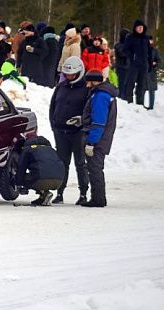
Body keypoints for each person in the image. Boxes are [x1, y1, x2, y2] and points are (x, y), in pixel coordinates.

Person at [48, 57, 90, 205]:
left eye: (72, 75)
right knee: (62, 163)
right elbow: (53, 105)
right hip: (61, 131)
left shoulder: (86, 88)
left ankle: (83, 193)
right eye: (67, 75)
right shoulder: (61, 86)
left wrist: (81, 120)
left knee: (80, 163)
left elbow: (89, 110)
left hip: (78, 132)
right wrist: (54, 124)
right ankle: (60, 192)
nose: (69, 77)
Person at [81, 70, 118, 208]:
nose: (86, 84)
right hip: (102, 137)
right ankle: (97, 197)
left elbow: (99, 122)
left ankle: (98, 199)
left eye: (88, 81)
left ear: (94, 81)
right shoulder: (103, 94)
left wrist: (91, 142)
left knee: (95, 168)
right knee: (95, 168)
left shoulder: (100, 96)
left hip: (98, 140)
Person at [16, 136, 66, 206]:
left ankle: (45, 193)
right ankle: (43, 197)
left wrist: (18, 184)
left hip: (41, 180)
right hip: (59, 181)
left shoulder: (27, 149)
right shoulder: (51, 150)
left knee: (30, 176)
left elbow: (21, 168)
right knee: (41, 172)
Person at [121, 20, 151, 105]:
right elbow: (125, 50)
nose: (140, 29)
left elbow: (149, 51)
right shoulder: (130, 37)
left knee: (141, 84)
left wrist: (150, 62)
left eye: (142, 27)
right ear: (135, 28)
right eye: (139, 27)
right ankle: (129, 101)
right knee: (131, 82)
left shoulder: (146, 38)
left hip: (144, 64)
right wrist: (132, 56)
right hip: (134, 64)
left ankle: (140, 103)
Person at [143, 38, 162, 110]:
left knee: (152, 91)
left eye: (150, 40)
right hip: (143, 73)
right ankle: (141, 105)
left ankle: (151, 107)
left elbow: (160, 61)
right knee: (142, 90)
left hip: (152, 74)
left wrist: (155, 65)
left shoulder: (155, 51)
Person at [113, 29, 130, 99]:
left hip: (129, 67)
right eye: (127, 35)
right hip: (121, 67)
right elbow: (123, 53)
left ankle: (126, 97)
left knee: (128, 84)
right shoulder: (118, 45)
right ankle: (120, 97)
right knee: (121, 83)